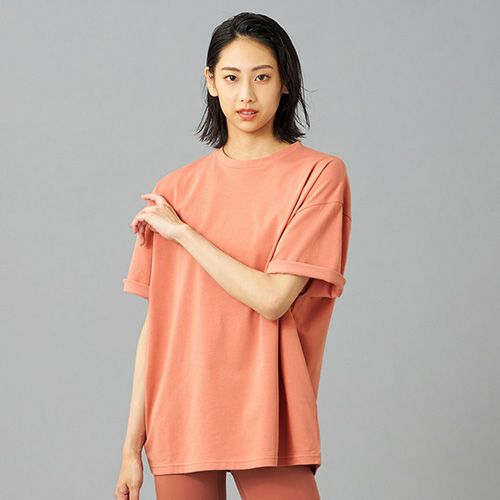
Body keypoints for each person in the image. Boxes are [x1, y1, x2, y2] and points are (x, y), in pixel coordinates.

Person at [114, 11, 352, 500]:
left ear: (285, 83)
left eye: (261, 77)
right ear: (210, 82)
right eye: (231, 78)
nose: (246, 94)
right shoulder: (174, 190)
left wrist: (184, 234)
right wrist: (130, 445)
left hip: (270, 415)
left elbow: (273, 299)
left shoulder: (318, 175)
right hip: (180, 414)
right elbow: (156, 329)